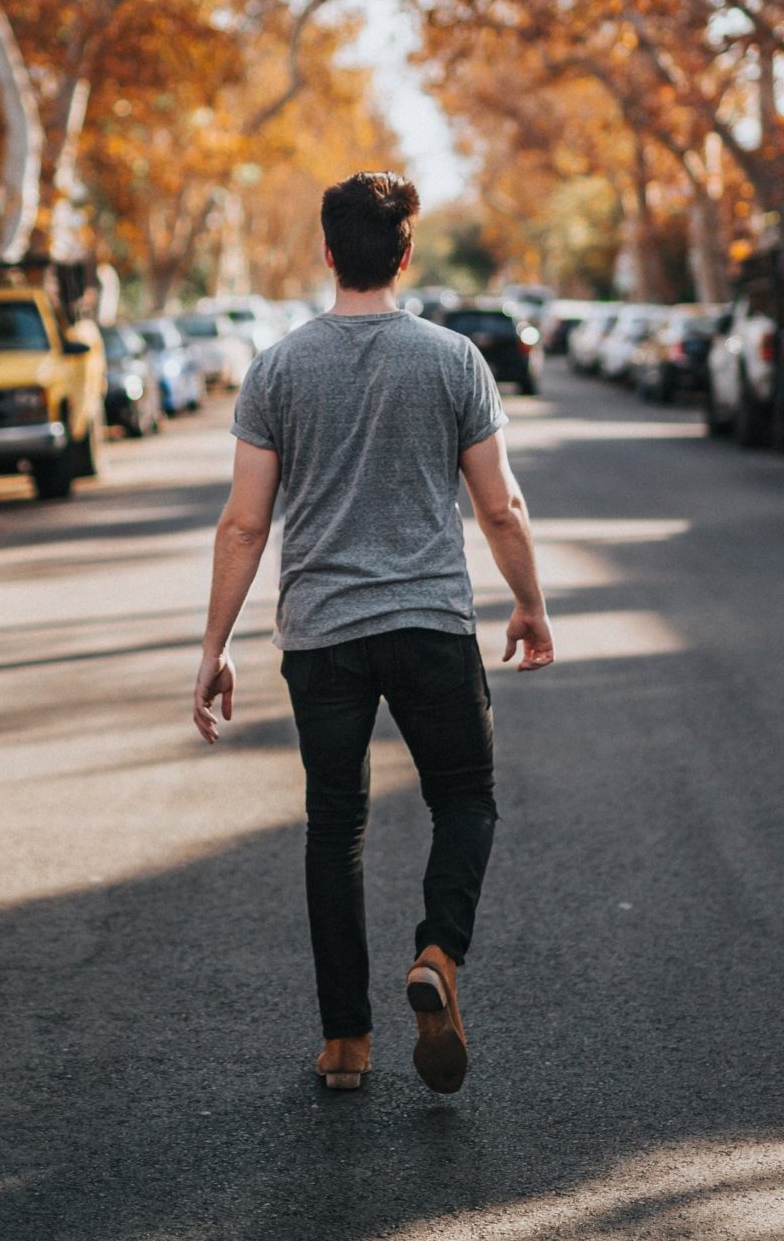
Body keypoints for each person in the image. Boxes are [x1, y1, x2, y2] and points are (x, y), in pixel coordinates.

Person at [191, 171, 555, 1096]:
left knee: (335, 828)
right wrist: (530, 603)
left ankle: (346, 1044)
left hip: (321, 636)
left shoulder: (277, 367)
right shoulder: (452, 359)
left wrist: (214, 647)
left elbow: (244, 523)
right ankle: (437, 951)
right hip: (430, 622)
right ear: (404, 254)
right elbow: (500, 504)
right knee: (466, 800)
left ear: (326, 252)